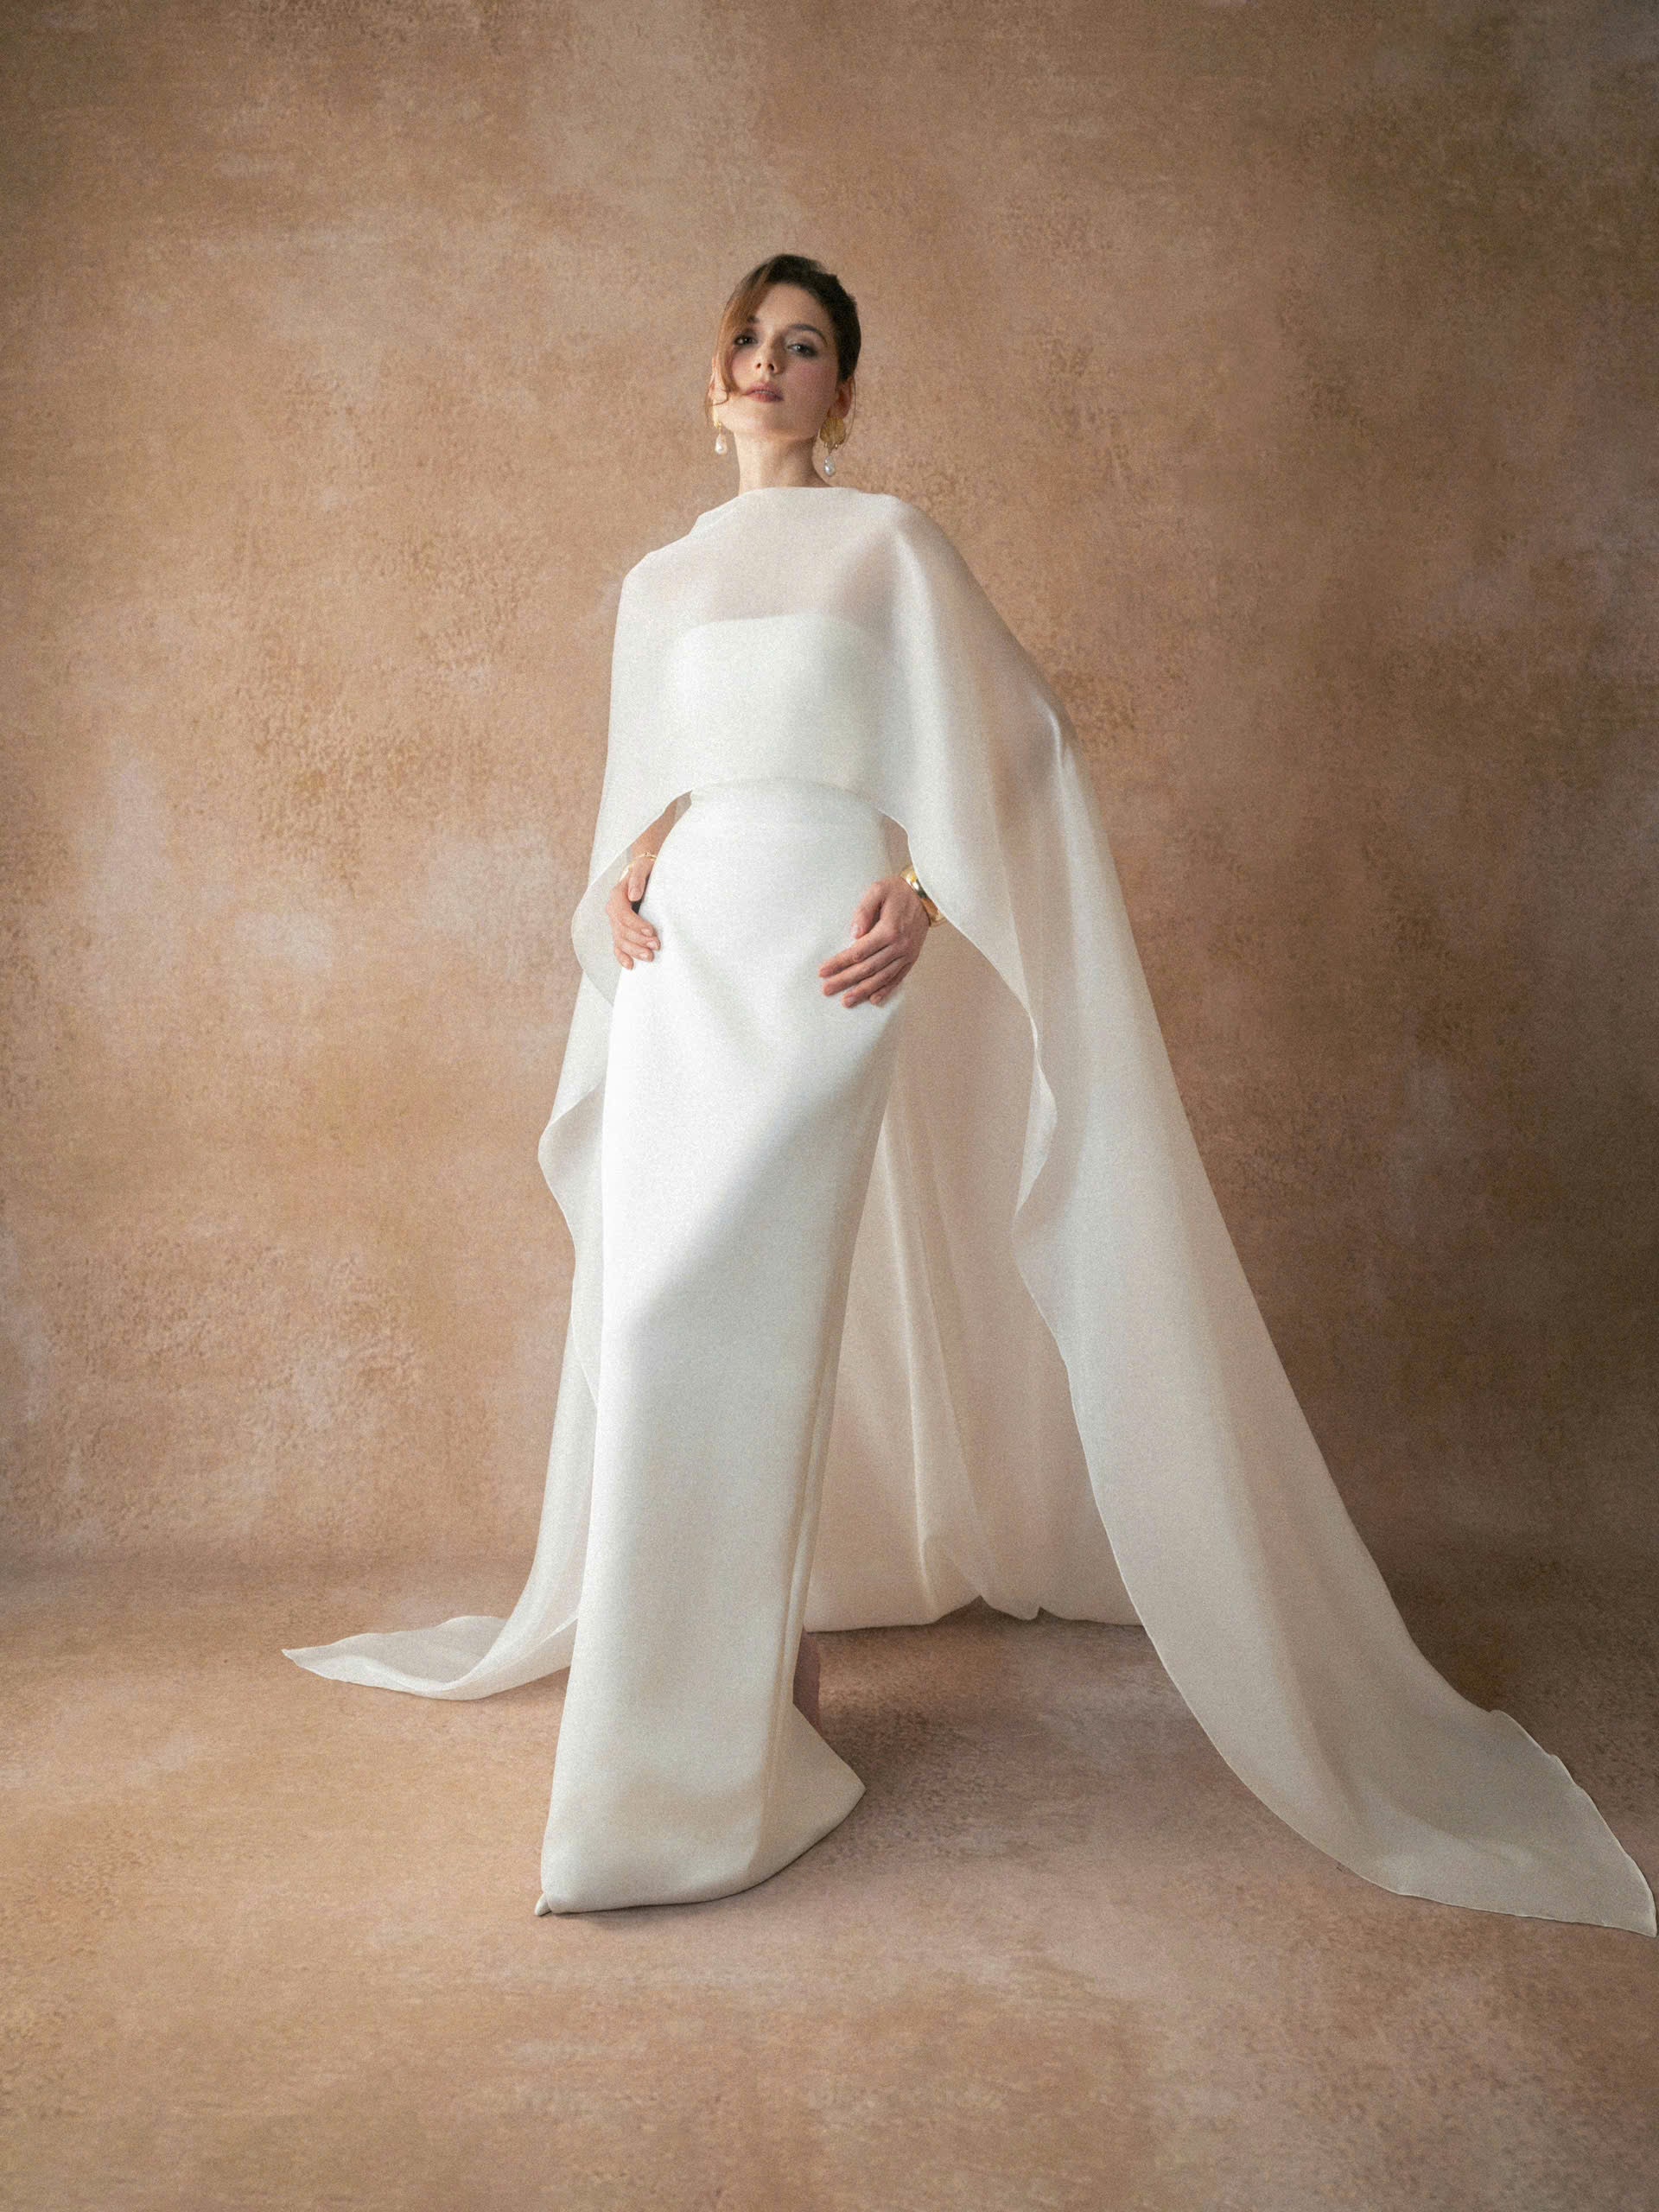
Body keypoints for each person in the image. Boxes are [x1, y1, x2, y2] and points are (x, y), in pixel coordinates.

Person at [285, 255, 1656, 1936]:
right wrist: (627, 871)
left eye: (805, 347)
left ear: (844, 392)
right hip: (682, 966)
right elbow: (649, 785)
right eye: (749, 340)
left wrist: (926, 887)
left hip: (820, 960)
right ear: (713, 376)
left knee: (740, 1319)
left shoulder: (891, 547)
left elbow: (1017, 743)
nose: (770, 364)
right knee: (647, 1319)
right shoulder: (659, 581)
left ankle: (693, 1776)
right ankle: (757, 1685)